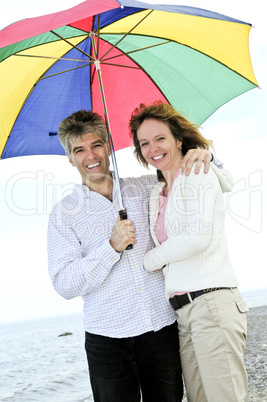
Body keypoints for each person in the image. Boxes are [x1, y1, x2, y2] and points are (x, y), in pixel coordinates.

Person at [47, 109, 224, 402]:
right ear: (69, 157)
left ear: (108, 145)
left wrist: (205, 156)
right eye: (79, 150)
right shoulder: (64, 214)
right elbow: (64, 283)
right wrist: (111, 247)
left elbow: (186, 173)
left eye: (96, 145)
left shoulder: (145, 187)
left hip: (161, 329)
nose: (90, 155)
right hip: (107, 340)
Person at [129, 101, 249, 402]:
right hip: (182, 313)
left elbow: (197, 237)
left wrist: (150, 260)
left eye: (160, 138)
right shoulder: (158, 192)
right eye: (144, 143)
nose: (153, 148)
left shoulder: (197, 171)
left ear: (179, 140)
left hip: (212, 303)